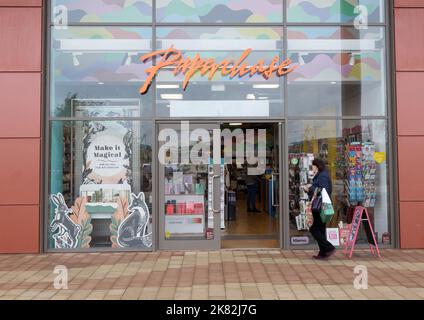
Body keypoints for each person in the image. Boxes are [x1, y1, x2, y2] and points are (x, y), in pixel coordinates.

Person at [302, 158, 336, 259]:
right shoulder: (320, 175)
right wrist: (309, 189)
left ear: (317, 166)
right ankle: (323, 253)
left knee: (314, 229)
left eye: (313, 165)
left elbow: (322, 190)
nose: (312, 167)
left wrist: (310, 188)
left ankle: (329, 247)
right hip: (319, 206)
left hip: (320, 207)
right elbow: (317, 189)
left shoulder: (323, 176)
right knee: (320, 229)